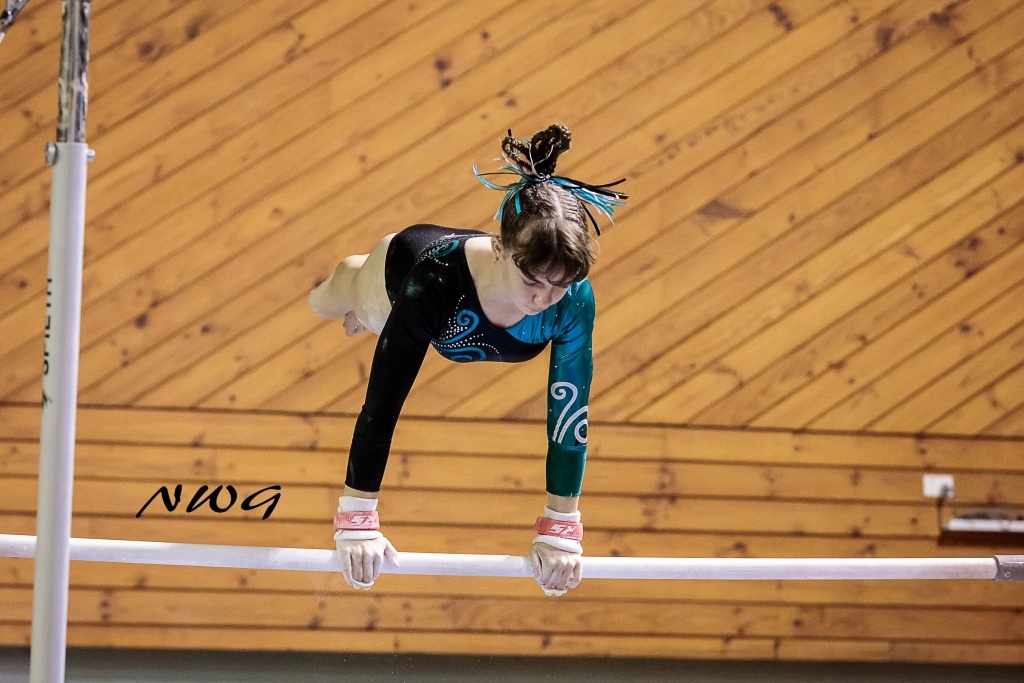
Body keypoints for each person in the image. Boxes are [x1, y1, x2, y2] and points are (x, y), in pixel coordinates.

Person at [308, 124, 626, 596]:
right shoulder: (435, 282)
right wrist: (356, 517)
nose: (544, 299)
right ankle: (352, 281)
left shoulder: (573, 300)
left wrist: (561, 529)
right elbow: (382, 403)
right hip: (397, 277)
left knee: (371, 317)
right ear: (500, 248)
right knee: (333, 301)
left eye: (559, 285)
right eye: (534, 282)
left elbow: (569, 416)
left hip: (444, 310)